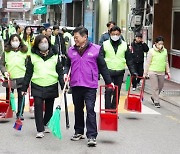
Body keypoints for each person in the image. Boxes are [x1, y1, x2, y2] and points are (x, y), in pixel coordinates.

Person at [64, 27, 113, 146]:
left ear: (85, 37)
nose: (74, 40)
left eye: (76, 37)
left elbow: (103, 66)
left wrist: (108, 82)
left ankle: (91, 135)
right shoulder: (71, 50)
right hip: (75, 84)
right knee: (78, 109)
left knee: (90, 109)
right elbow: (67, 65)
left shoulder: (96, 49)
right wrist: (65, 74)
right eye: (74, 38)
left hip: (90, 85)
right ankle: (79, 131)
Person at [21, 35, 64, 138]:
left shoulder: (55, 56)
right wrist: (24, 88)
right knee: (38, 107)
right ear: (37, 44)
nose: (44, 44)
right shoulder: (32, 56)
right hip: (37, 84)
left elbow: (60, 71)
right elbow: (28, 73)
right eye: (41, 42)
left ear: (49, 43)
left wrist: (63, 85)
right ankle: (40, 129)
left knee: (49, 108)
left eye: (45, 42)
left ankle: (45, 123)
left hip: (51, 84)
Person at [100, 26, 137, 110]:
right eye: (113, 34)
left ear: (120, 34)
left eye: (117, 34)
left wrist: (133, 71)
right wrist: (99, 71)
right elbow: (100, 59)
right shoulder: (105, 44)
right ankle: (108, 110)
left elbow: (129, 60)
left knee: (117, 92)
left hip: (120, 72)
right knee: (109, 90)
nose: (115, 36)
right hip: (108, 72)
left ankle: (114, 110)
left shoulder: (124, 45)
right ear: (110, 34)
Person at [0, 34, 28, 120]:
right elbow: (1, 64)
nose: (15, 42)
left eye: (17, 40)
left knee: (21, 95)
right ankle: (9, 111)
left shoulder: (24, 52)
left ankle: (20, 113)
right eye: (13, 40)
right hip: (9, 77)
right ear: (10, 42)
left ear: (20, 41)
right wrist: (4, 72)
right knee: (10, 96)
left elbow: (28, 65)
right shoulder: (6, 53)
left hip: (21, 76)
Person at [143, 36, 170, 108]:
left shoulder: (165, 51)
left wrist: (168, 71)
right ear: (155, 43)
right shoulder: (151, 51)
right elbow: (148, 63)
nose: (161, 45)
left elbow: (166, 61)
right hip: (153, 71)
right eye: (159, 43)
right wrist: (145, 73)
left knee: (160, 86)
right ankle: (156, 101)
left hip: (161, 71)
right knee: (155, 87)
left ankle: (153, 96)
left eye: (162, 43)